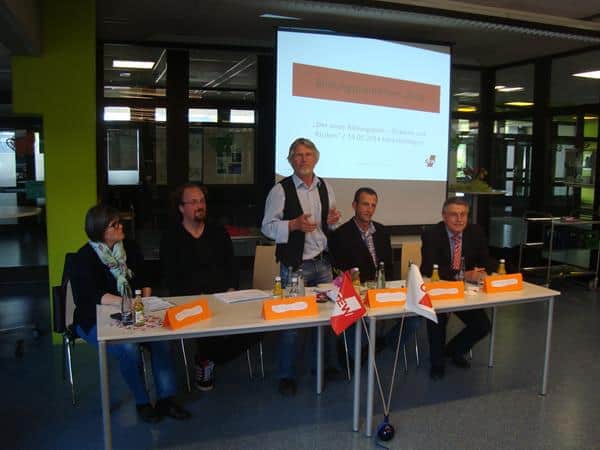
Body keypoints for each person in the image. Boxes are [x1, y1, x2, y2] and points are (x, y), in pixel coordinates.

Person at [70, 204, 190, 423]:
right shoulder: (84, 257)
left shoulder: (131, 248)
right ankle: (142, 401)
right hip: (94, 318)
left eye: (119, 222)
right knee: (128, 348)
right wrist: (127, 303)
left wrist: (144, 300)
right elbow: (89, 296)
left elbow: (145, 279)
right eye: (114, 225)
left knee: (162, 340)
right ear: (100, 231)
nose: (121, 226)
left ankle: (166, 399)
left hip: (136, 311)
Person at [262, 137, 342, 396]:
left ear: (315, 158)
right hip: (295, 267)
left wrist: (333, 220)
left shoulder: (325, 186)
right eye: (298, 154)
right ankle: (286, 375)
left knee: (328, 319)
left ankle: (324, 367)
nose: (303, 159)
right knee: (293, 323)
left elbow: (329, 224)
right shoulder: (280, 190)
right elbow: (266, 227)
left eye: (308, 154)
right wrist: (293, 225)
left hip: (323, 264)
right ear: (290, 160)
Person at [160, 183, 254, 391]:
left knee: (258, 326)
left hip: (223, 297)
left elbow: (232, 266)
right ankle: (208, 359)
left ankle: (206, 358)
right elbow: (170, 278)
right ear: (181, 207)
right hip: (191, 301)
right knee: (208, 326)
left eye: (202, 201)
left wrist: (231, 290)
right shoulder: (171, 237)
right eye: (193, 202)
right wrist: (199, 296)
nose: (200, 205)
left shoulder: (217, 232)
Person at [329, 187, 421, 358]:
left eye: (373, 205)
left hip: (382, 291)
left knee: (415, 320)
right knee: (360, 330)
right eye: (365, 204)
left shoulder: (382, 231)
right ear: (354, 205)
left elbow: (389, 267)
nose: (369, 209)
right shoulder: (341, 234)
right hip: (358, 294)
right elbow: (339, 272)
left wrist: (389, 289)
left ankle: (384, 343)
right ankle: (354, 351)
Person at [420, 196, 497, 380]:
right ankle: (437, 363)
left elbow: (485, 259)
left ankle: (453, 350)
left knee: (482, 325)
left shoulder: (475, 232)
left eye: (463, 214)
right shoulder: (432, 234)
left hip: (465, 292)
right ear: (444, 216)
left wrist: (487, 272)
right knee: (437, 318)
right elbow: (428, 267)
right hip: (440, 289)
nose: (459, 219)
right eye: (454, 214)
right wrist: (462, 275)